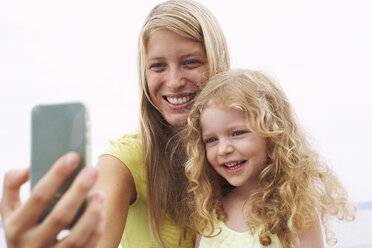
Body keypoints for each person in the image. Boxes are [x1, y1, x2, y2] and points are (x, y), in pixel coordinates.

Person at [0, 0, 230, 247]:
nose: (173, 82)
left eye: (190, 62)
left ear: (217, 63)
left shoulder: (253, 150)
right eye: (158, 66)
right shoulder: (124, 160)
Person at [184, 69, 355, 247]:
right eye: (211, 140)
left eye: (237, 133)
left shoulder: (295, 214)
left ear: (272, 133)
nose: (223, 149)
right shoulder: (209, 211)